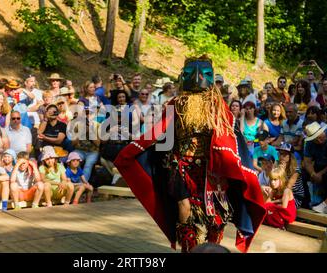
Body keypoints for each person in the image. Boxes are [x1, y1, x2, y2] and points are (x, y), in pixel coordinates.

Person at [114, 56, 266, 253]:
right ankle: (188, 250)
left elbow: (229, 138)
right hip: (181, 165)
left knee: (215, 216)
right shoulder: (174, 105)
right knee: (184, 207)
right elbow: (162, 135)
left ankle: (211, 251)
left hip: (211, 169)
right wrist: (155, 160)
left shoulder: (219, 108)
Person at [277, 143, 305, 208]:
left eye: (285, 154)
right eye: (281, 154)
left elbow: (288, 187)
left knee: (278, 204)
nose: (281, 157)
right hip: (281, 194)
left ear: (290, 156)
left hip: (294, 196)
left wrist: (282, 172)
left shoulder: (296, 170)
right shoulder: (277, 166)